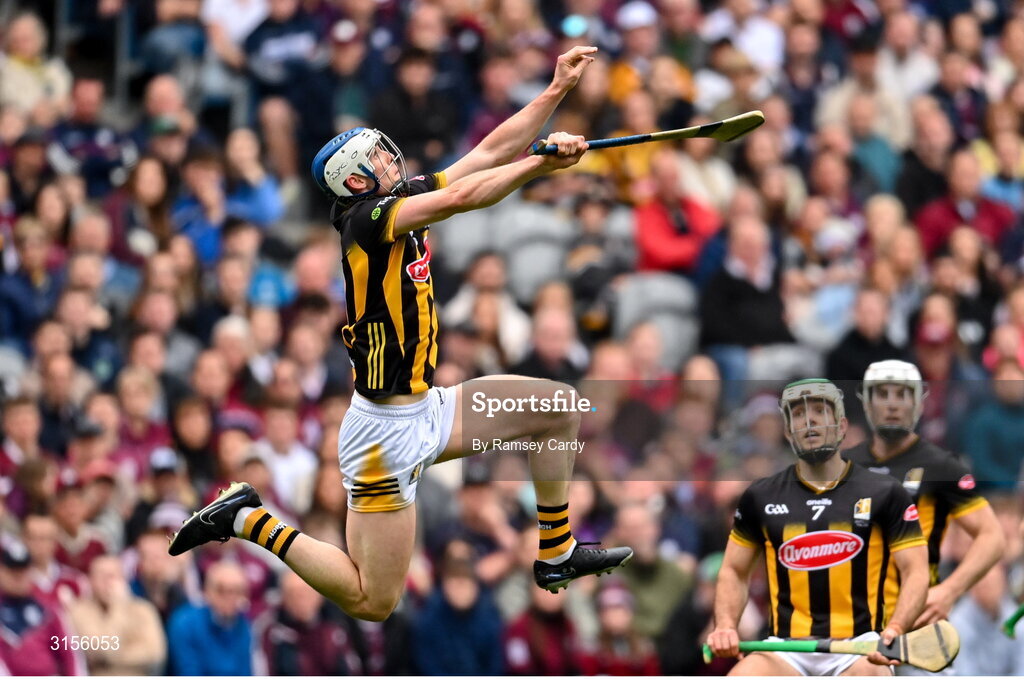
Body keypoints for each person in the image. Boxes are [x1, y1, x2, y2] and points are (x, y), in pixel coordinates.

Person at [168, 45, 633, 621]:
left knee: (558, 409)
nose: (393, 162)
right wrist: (541, 166)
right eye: (379, 160)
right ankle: (247, 519)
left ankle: (557, 552)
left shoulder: (396, 198)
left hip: (428, 408)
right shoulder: (366, 220)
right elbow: (462, 196)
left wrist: (556, 90)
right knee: (373, 600)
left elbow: (487, 153)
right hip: (384, 437)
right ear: (354, 180)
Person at [707, 379, 929, 676]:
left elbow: (916, 570)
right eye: (798, 414)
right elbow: (734, 570)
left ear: (842, 426)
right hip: (785, 650)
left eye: (819, 411)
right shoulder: (760, 496)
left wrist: (896, 629)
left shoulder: (885, 492)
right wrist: (725, 625)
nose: (809, 420)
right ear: (788, 432)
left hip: (858, 647)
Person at [844, 359, 1005, 641]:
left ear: (919, 404)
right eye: (882, 394)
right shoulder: (842, 466)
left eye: (903, 394)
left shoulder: (942, 467)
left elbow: (992, 537)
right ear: (866, 403)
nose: (892, 405)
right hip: (848, 628)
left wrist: (950, 590)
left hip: (915, 627)